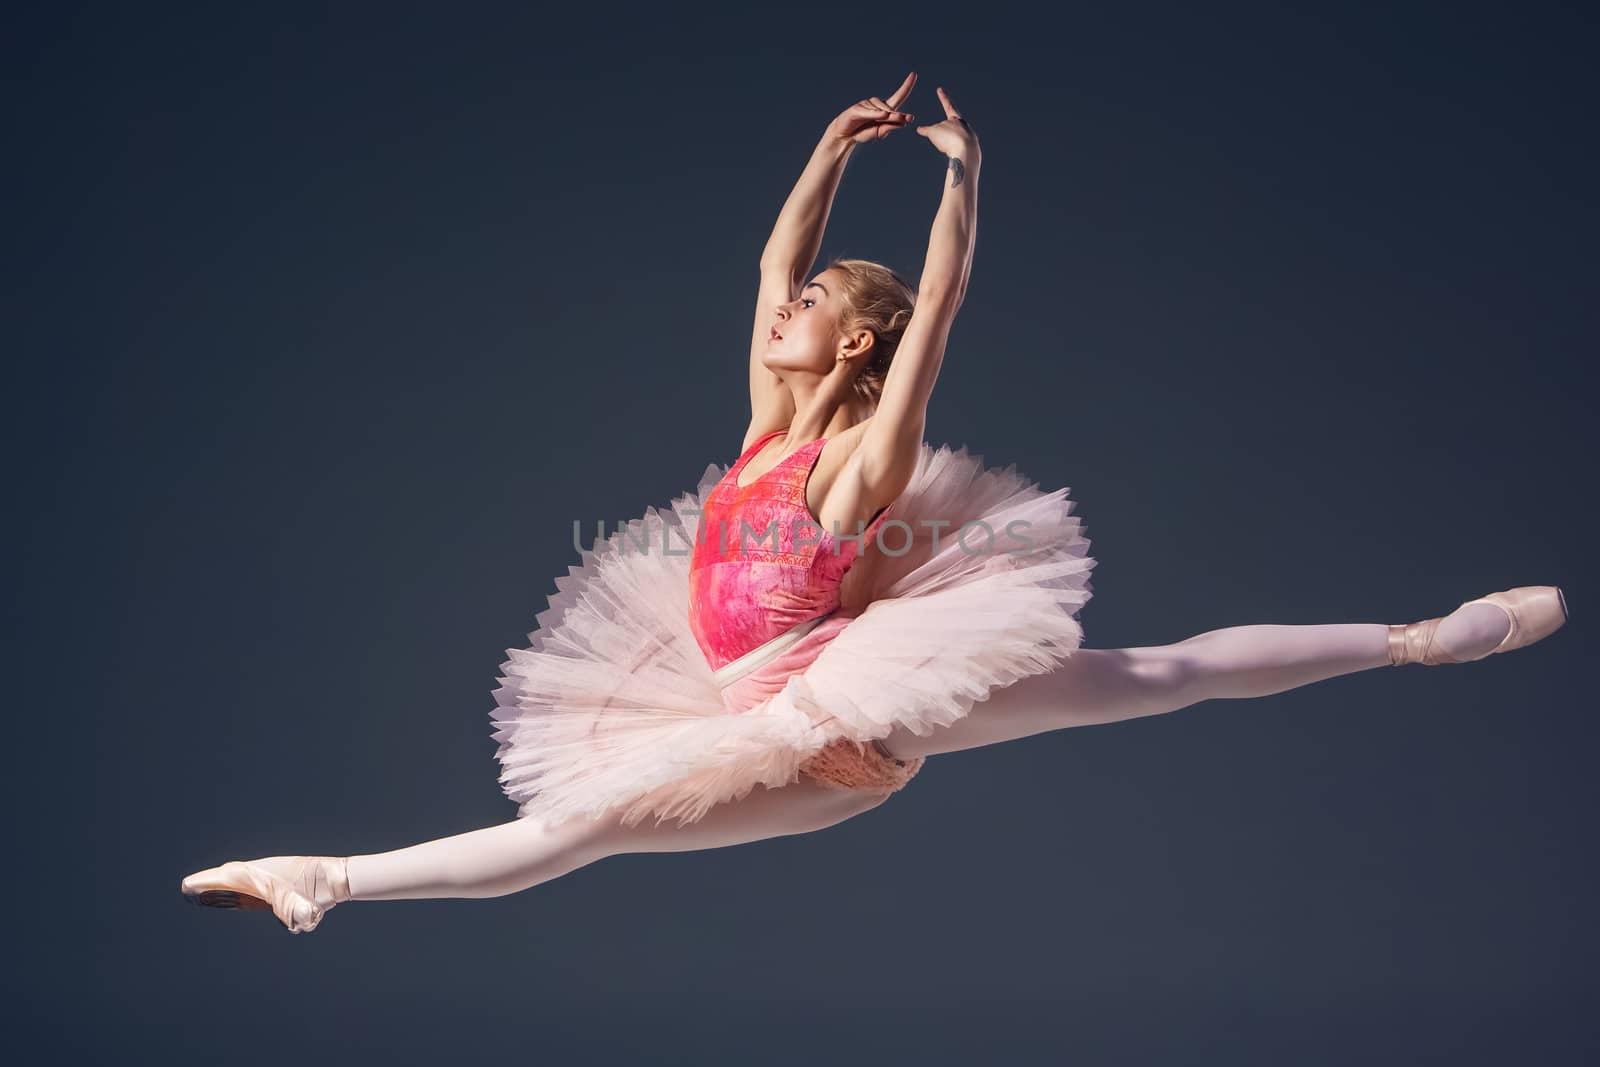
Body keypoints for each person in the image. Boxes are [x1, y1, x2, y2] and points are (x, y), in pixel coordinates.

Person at [180, 73, 1568, 934]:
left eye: (813, 309)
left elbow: (938, 313)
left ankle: (1416, 641)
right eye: (788, 303)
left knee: (1161, 671)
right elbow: (774, 260)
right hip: (745, 716)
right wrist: (831, 150)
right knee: (585, 832)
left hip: (850, 721)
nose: (782, 309)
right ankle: (327, 880)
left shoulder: (856, 468)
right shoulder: (766, 430)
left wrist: (962, 186)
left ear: (852, 346)